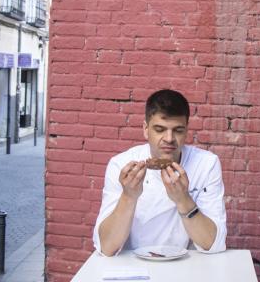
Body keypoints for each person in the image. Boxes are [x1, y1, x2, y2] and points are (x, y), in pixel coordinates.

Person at [93, 89, 227, 256]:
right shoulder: (121, 164)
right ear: (145, 129)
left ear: (186, 131)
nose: (169, 138)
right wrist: (129, 196)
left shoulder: (206, 164)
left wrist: (183, 199)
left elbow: (213, 243)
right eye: (159, 129)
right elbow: (106, 247)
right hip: (134, 266)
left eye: (178, 130)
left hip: (187, 265)